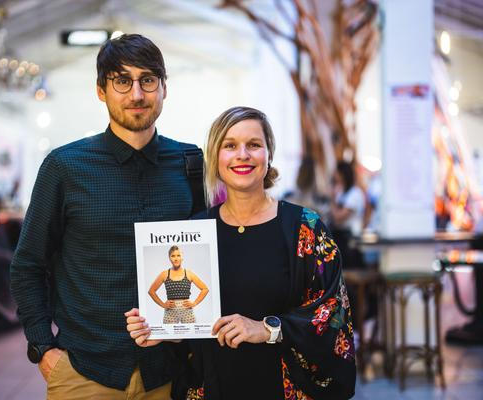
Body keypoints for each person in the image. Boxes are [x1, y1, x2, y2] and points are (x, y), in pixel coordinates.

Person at [10, 34, 204, 399]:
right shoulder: (64, 167)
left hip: (169, 373)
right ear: (101, 90)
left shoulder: (190, 164)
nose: (136, 94)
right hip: (84, 371)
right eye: (122, 81)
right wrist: (42, 347)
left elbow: (206, 257)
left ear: (164, 88)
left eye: (148, 80)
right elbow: (28, 265)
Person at [126, 106, 356, 399]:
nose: (242, 155)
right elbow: (194, 326)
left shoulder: (304, 228)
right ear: (215, 157)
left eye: (254, 145)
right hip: (214, 386)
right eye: (230, 145)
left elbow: (332, 312)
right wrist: (162, 330)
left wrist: (267, 329)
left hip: (282, 388)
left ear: (268, 154)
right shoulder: (193, 231)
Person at [148, 245, 209, 324]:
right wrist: (163, 305)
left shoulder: (189, 273)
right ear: (169, 258)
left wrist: (195, 303)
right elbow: (151, 291)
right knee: (169, 332)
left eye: (178, 255)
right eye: (173, 256)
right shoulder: (165, 274)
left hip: (187, 311)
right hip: (170, 311)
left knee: (190, 332)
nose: (176, 258)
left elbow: (205, 289)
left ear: (182, 257)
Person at [330, 161, 366, 269]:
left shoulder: (355, 193)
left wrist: (332, 199)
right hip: (340, 236)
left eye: (336, 172)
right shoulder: (341, 191)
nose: (334, 175)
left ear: (342, 174)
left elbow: (338, 217)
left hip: (350, 239)